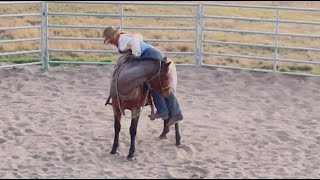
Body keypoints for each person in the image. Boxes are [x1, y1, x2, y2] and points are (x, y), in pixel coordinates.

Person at [103, 26, 183, 126]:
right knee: (153, 83)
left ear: (115, 36)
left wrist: (136, 55)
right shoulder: (124, 38)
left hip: (150, 55)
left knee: (157, 82)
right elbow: (138, 37)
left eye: (110, 40)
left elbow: (135, 40)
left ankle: (174, 112)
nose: (111, 43)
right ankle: (164, 110)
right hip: (151, 54)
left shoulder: (122, 39)